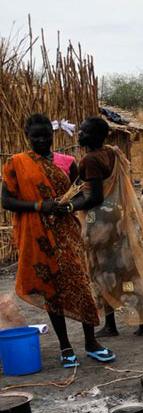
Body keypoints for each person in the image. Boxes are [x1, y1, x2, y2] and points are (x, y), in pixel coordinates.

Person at [1, 113, 111, 368]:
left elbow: (83, 193)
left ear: (53, 135)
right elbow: (6, 201)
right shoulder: (17, 163)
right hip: (38, 236)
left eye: (46, 136)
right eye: (35, 137)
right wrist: (40, 206)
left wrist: (69, 206)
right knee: (51, 290)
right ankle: (65, 347)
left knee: (81, 284)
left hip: (66, 232)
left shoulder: (68, 162)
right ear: (27, 137)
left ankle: (91, 342)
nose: (41, 140)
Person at [79, 116, 143, 339]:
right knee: (123, 267)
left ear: (95, 136)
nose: (80, 134)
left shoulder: (90, 159)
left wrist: (70, 205)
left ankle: (111, 325)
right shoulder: (111, 153)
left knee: (101, 272)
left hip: (99, 223)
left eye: (84, 131)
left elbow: (95, 197)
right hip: (116, 218)